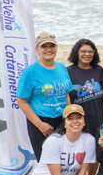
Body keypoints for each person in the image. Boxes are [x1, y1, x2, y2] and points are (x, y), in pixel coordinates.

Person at [17, 32, 72, 161]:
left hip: (61, 121)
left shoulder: (62, 68)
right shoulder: (30, 72)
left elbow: (66, 94)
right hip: (40, 122)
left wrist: (68, 117)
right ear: (37, 49)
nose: (48, 49)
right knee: (46, 162)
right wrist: (40, 124)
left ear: (56, 48)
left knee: (63, 159)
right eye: (44, 46)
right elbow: (21, 101)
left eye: (52, 46)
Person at [67, 38, 103, 175]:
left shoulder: (99, 70)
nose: (87, 54)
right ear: (77, 52)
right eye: (83, 51)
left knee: (96, 152)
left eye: (90, 51)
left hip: (98, 117)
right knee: (80, 152)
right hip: (79, 120)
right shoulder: (68, 71)